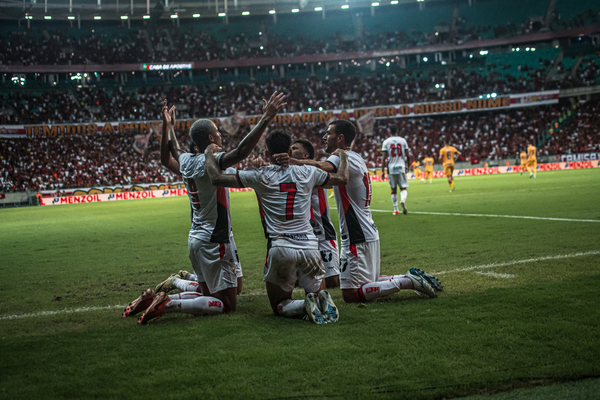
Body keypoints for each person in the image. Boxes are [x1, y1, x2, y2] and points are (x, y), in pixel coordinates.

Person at [132, 91, 286, 324]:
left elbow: (168, 155)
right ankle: (168, 303)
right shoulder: (211, 162)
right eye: (217, 131)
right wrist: (266, 118)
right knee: (227, 305)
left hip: (197, 237)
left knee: (226, 289)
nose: (221, 134)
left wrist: (168, 126)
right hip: (215, 240)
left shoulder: (185, 161)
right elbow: (241, 152)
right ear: (211, 139)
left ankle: (163, 292)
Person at [204, 130, 350, 324]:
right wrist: (344, 156)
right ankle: (318, 298)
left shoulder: (260, 175)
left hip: (281, 247)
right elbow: (342, 179)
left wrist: (207, 155)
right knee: (315, 287)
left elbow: (216, 178)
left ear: (266, 154)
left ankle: (303, 305)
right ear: (289, 153)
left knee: (280, 305)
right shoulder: (308, 172)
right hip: (310, 247)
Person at [289, 120, 442, 304]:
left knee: (350, 294)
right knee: (369, 282)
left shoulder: (339, 157)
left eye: (328, 133)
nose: (324, 137)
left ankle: (408, 282)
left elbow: (322, 167)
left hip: (356, 234)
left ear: (340, 138)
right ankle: (407, 277)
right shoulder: (357, 157)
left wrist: (295, 162)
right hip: (367, 230)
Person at [291, 139, 340, 289]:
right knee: (292, 282)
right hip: (301, 235)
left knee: (333, 282)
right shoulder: (288, 171)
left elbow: (338, 180)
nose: (290, 150)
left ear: (305, 154)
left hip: (322, 231)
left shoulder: (316, 170)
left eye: (294, 148)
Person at [381, 124, 410, 215]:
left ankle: (396, 209)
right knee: (403, 188)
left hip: (391, 168)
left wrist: (382, 171)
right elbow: (408, 155)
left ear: (389, 131)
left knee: (393, 189)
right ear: (397, 130)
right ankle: (403, 200)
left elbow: (383, 157)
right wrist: (407, 165)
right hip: (401, 166)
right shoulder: (403, 140)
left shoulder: (386, 142)